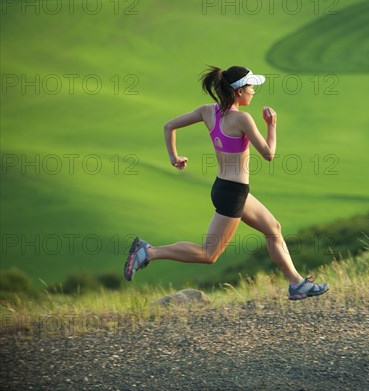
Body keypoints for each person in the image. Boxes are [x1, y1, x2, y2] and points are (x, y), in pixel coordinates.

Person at [124, 65, 328, 300]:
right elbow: (269, 154)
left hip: (225, 188)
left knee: (273, 228)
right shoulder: (243, 119)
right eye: (250, 86)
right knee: (209, 254)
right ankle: (149, 252)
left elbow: (168, 126)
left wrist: (174, 157)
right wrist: (271, 125)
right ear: (239, 91)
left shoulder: (207, 112)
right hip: (234, 194)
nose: (253, 91)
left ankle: (297, 284)